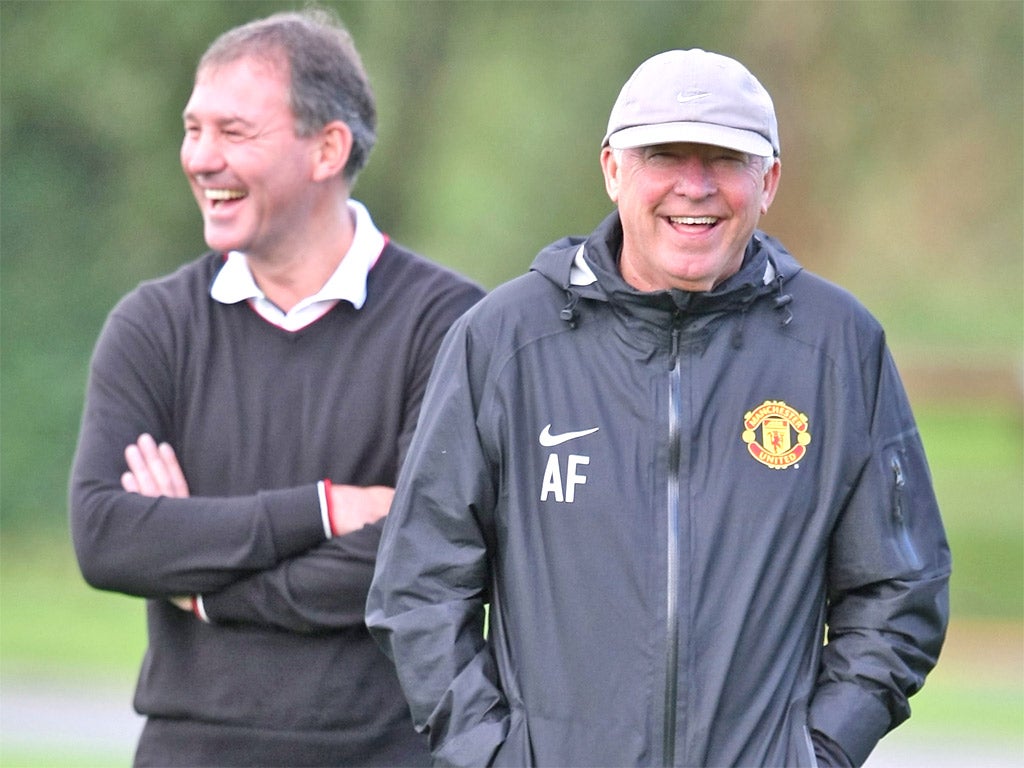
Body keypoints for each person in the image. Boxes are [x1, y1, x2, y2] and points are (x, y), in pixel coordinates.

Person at [366, 49, 951, 768]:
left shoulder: (837, 347)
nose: (695, 186)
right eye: (665, 154)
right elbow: (419, 586)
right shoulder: (506, 342)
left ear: (767, 181)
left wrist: (819, 750)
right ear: (613, 169)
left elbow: (901, 587)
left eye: (726, 159)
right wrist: (490, 755)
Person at [69, 8, 483, 766]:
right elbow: (106, 538)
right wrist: (323, 509)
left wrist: (202, 579)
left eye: (234, 132)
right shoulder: (153, 325)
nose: (200, 157)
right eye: (193, 130)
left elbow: (422, 557)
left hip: (385, 753)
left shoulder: (452, 324)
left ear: (328, 148)